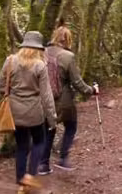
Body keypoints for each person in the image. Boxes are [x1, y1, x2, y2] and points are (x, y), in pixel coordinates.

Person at [0, 31, 56, 194]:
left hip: (15, 112)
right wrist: (52, 118)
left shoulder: (10, 61)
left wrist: (13, 94)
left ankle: (21, 182)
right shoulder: (39, 65)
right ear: (39, 48)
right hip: (34, 112)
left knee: (22, 145)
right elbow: (46, 95)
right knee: (40, 141)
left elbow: (0, 87)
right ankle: (29, 175)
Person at [40, 25, 98, 174]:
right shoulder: (68, 56)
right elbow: (77, 82)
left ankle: (43, 165)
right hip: (63, 100)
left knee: (49, 128)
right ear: (68, 40)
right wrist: (91, 90)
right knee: (71, 125)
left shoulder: (42, 53)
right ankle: (63, 158)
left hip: (44, 99)